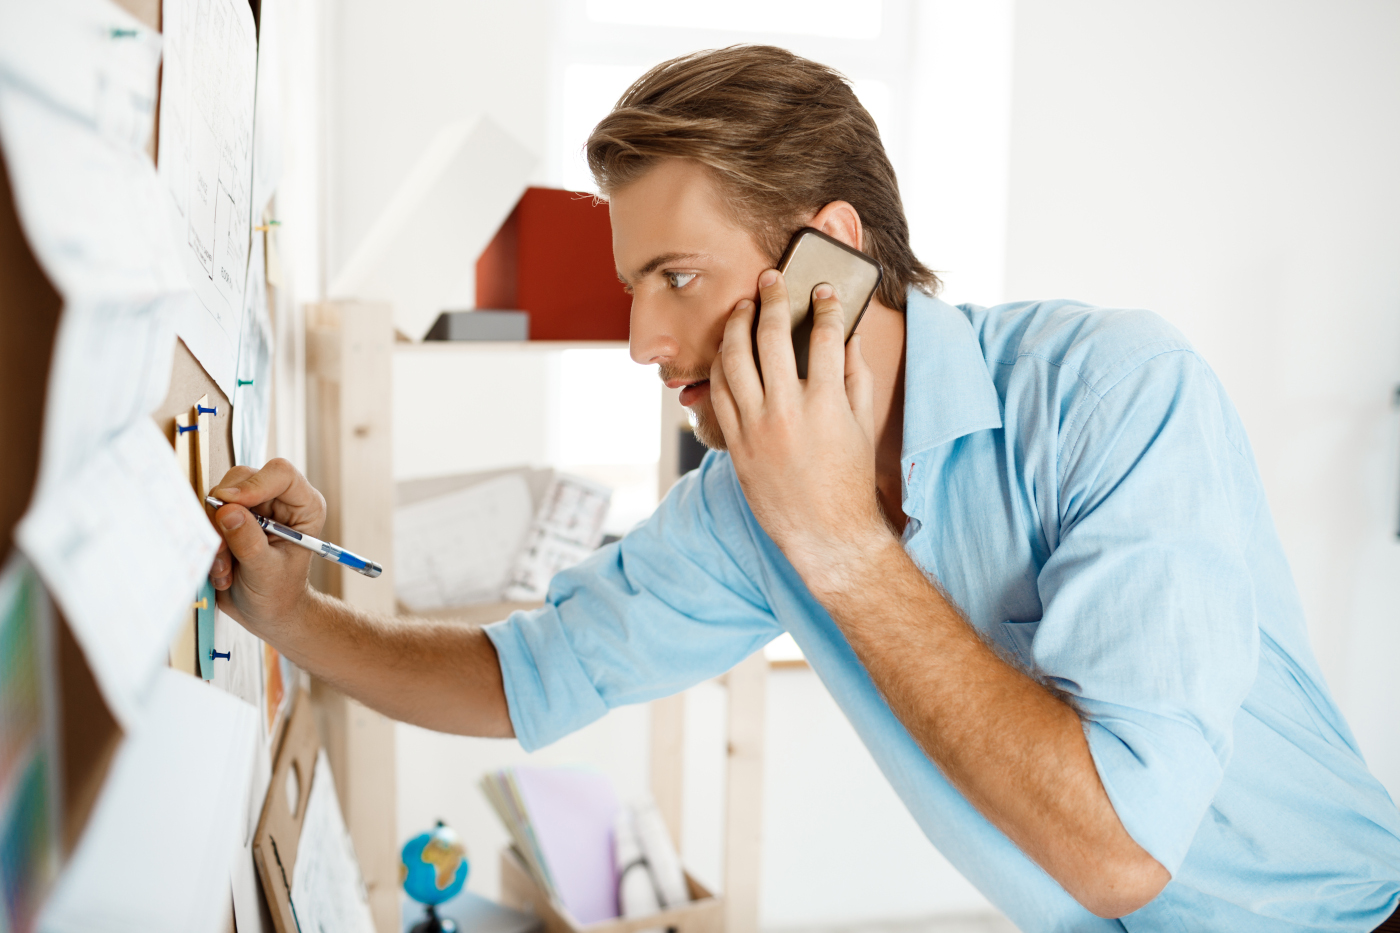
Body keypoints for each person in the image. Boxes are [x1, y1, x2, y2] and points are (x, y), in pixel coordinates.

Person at [207, 45, 1400, 931]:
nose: (639, 341)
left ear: (828, 258)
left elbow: (1118, 851)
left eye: (677, 277)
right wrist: (295, 617)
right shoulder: (742, 505)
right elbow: (527, 677)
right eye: (634, 287)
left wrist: (839, 539)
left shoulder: (1112, 391)